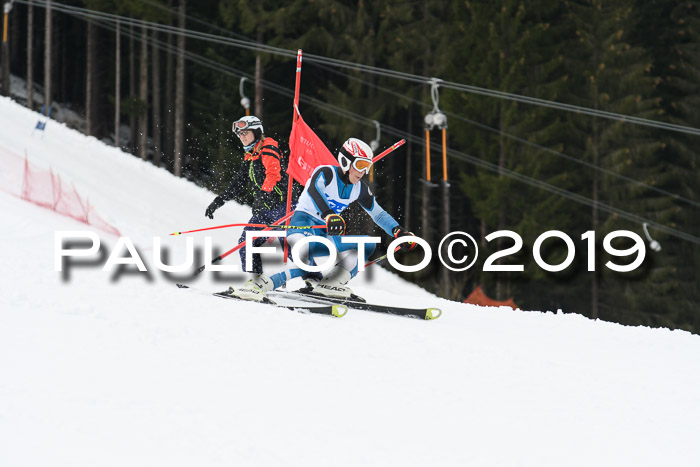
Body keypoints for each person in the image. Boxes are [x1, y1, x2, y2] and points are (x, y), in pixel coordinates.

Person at [231, 137, 416, 302]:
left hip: (323, 236)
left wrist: (399, 231)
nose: (363, 172)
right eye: (360, 165)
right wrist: (329, 214)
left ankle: (331, 284)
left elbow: (379, 214)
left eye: (367, 167)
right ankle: (260, 284)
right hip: (301, 227)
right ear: (346, 161)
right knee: (303, 258)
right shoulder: (326, 173)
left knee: (366, 244)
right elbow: (315, 192)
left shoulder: (359, 188)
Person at [205, 116, 291, 274]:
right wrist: (219, 200)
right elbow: (238, 183)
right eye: (240, 134)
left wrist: (264, 194)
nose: (242, 137)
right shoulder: (250, 156)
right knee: (246, 243)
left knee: (291, 245)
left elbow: (273, 174)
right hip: (264, 211)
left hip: (282, 207)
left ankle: (315, 280)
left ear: (257, 132)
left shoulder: (269, 147)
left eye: (245, 132)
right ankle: (256, 282)